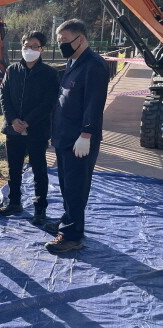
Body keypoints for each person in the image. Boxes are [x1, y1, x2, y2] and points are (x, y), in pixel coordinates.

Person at [44, 19, 110, 253]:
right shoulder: (73, 62)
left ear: (79, 39)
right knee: (65, 184)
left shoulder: (94, 65)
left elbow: (94, 103)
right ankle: (67, 220)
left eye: (64, 41)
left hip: (79, 140)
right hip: (64, 136)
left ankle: (72, 235)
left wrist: (86, 134)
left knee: (75, 186)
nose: (61, 45)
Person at [0, 31, 59, 225]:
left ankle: (40, 208)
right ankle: (14, 202)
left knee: (39, 169)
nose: (29, 49)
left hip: (37, 129)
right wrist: (13, 120)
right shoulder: (12, 70)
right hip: (13, 129)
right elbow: (4, 96)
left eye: (34, 46)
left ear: (42, 49)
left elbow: (48, 102)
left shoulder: (49, 73)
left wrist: (28, 121)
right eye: (26, 45)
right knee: (13, 168)